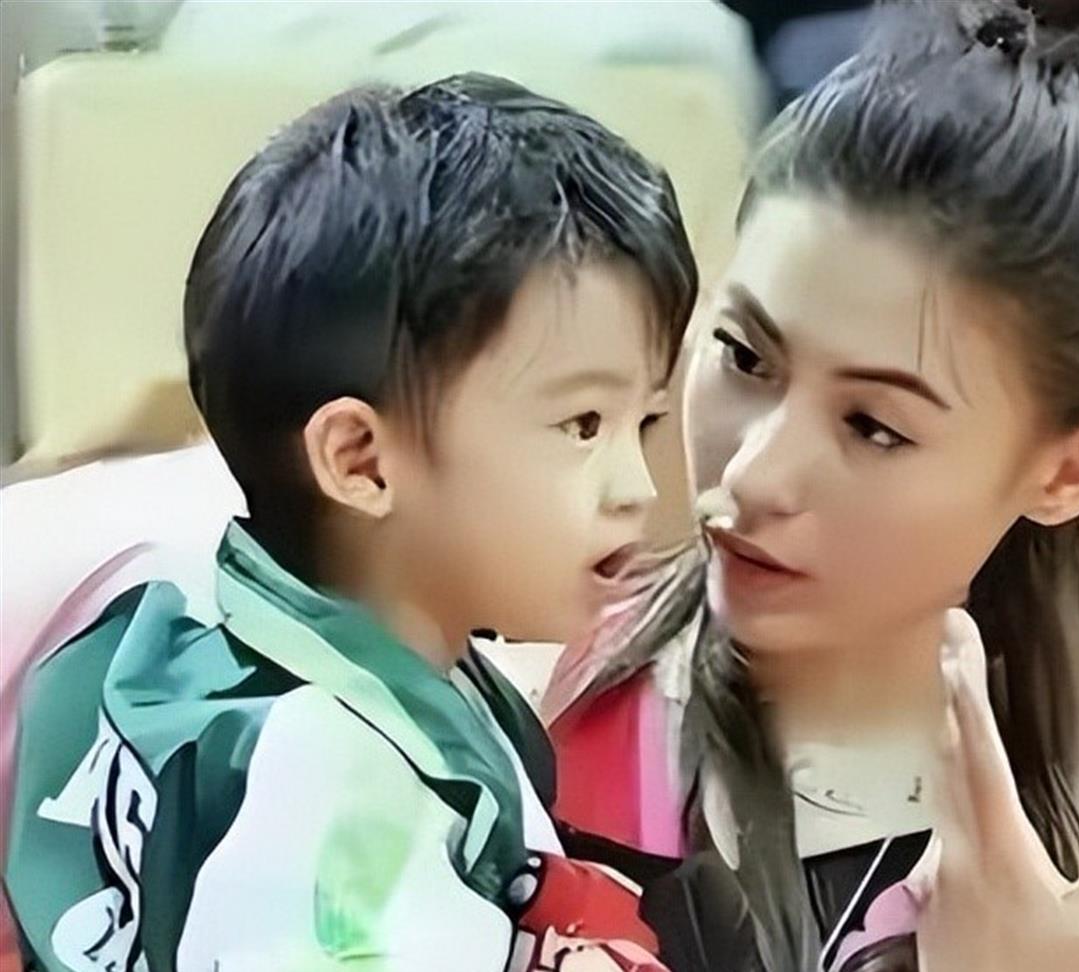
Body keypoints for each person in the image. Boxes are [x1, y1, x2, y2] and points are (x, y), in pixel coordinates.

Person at [538, 1, 1079, 970]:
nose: (755, 473)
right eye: (744, 356)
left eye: (873, 426)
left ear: (1069, 468)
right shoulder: (498, 719)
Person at [4, 75, 699, 971]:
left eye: (643, 421)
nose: (635, 487)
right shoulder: (335, 799)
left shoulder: (177, 623)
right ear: (362, 461)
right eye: (581, 425)